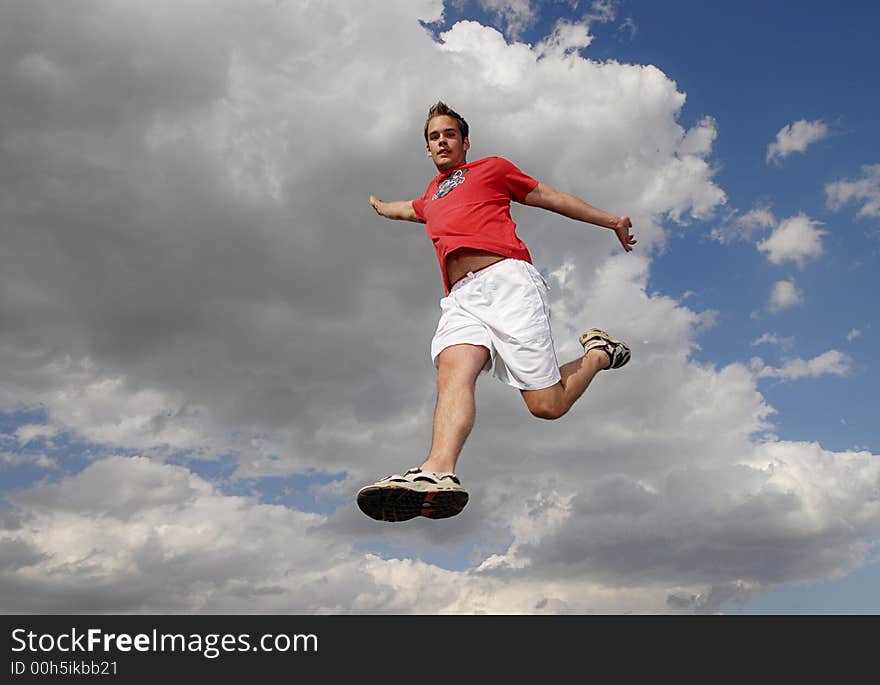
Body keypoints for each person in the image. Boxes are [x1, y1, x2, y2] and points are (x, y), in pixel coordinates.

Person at [357, 101, 636, 522]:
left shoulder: (492, 169)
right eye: (434, 137)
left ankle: (598, 353)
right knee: (453, 369)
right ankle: (438, 471)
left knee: (546, 406)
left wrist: (611, 220)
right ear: (427, 150)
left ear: (464, 142)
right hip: (461, 299)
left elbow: (552, 198)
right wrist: (378, 206)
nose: (442, 141)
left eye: (449, 134)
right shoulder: (431, 196)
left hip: (508, 283)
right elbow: (405, 209)